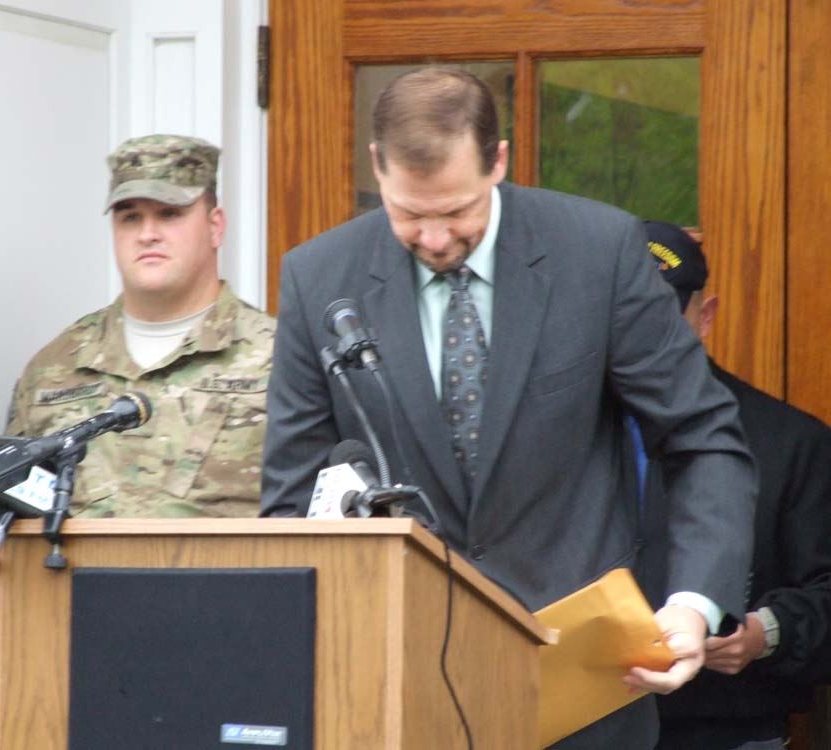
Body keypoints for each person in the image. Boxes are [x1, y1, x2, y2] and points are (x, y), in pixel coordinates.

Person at [260, 67, 757, 748]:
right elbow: (291, 498)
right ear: (377, 165)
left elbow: (704, 439)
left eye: (455, 212)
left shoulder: (599, 252)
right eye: (409, 215)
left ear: (498, 161)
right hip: (393, 689)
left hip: (584, 689)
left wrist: (693, 605)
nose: (435, 239)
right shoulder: (318, 276)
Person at [7, 134, 275, 518]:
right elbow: (12, 521)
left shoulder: (279, 358)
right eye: (130, 217)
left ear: (215, 227)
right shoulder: (54, 368)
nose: (147, 234)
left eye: (169, 214)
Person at [641, 220, 831, 750]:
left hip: (728, 731)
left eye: (661, 319)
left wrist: (764, 633)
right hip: (574, 726)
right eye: (627, 317)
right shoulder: (559, 430)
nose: (642, 338)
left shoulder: (792, 442)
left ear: (705, 317)